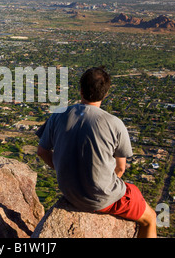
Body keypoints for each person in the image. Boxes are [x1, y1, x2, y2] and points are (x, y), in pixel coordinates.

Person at [36, 66, 157, 238]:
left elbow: (42, 151)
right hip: (100, 198)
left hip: (69, 191)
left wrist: (62, 169)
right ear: (106, 94)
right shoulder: (114, 124)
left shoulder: (58, 114)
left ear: (81, 90)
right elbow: (120, 169)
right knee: (150, 218)